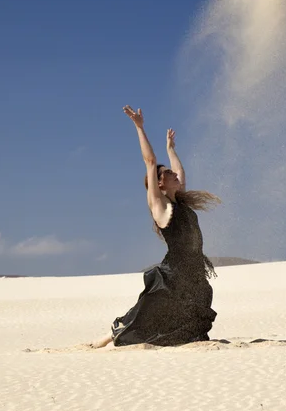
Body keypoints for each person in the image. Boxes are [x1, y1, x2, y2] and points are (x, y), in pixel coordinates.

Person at [90, 105, 220, 348]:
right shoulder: (161, 207)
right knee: (152, 307)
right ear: (159, 184)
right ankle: (113, 333)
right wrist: (139, 127)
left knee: (192, 307)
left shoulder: (179, 202)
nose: (174, 175)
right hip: (175, 270)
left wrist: (171, 149)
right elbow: (150, 162)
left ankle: (124, 334)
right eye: (167, 173)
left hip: (193, 269)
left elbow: (180, 172)